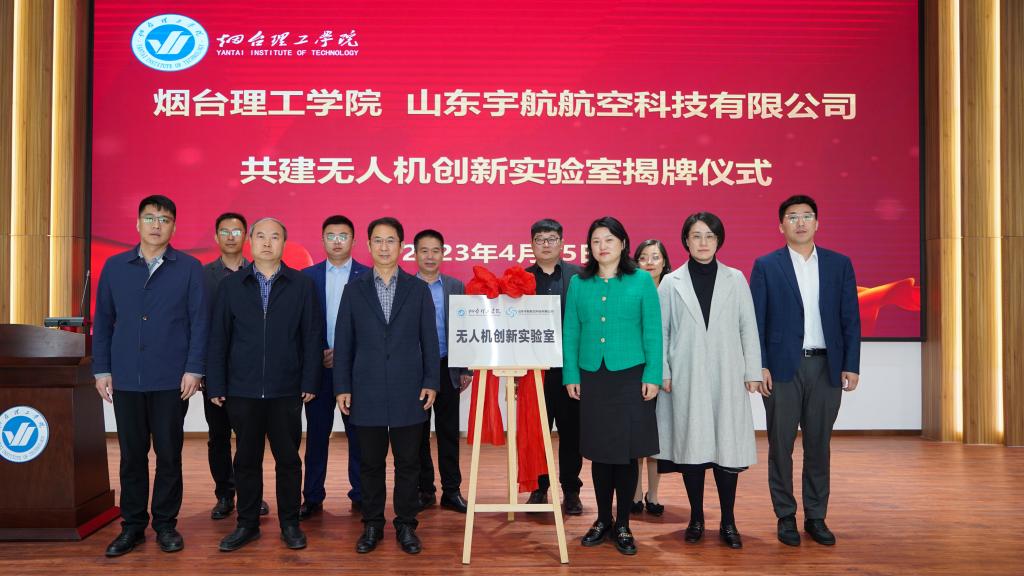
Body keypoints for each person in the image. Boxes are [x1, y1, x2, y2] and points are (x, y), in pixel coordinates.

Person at [93, 195, 207, 557]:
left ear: (174, 227)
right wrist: (102, 369)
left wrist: (194, 368)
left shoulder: (189, 267)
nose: (157, 225)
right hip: (126, 376)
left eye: (164, 219)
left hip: (171, 378)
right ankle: (132, 526)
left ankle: (166, 525)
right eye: (150, 218)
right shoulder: (115, 266)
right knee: (132, 455)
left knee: (169, 454)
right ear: (138, 223)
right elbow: (103, 321)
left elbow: (199, 322)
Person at [750, 195, 861, 547]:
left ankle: (816, 516)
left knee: (818, 445)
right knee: (780, 446)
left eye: (807, 216)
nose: (800, 222)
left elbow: (850, 318)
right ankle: (785, 515)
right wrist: (759, 364)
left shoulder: (839, 264)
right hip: (782, 369)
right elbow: (756, 321)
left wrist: (851, 364)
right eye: (793, 217)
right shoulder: (766, 265)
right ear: (781, 225)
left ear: (817, 223)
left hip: (826, 366)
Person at [207, 217, 322, 552]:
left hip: (286, 389)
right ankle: (247, 524)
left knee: (288, 460)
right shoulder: (231, 286)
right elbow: (218, 338)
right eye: (261, 236)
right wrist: (216, 384)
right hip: (242, 389)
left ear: (284, 243)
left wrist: (309, 379)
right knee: (245, 460)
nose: (267, 243)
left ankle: (290, 523)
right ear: (250, 241)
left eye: (274, 237)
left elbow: (311, 336)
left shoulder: (301, 285)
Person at [653, 213, 764, 549]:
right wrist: (663, 371)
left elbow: (748, 327)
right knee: (693, 448)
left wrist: (752, 372)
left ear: (719, 241)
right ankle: (696, 518)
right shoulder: (671, 282)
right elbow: (661, 332)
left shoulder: (736, 279)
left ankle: (728, 520)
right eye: (696, 236)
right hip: (685, 376)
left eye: (710, 236)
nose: (703, 242)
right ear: (685, 241)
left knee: (727, 449)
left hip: (728, 373)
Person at [334, 217, 440, 555]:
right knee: (370, 463)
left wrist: (431, 381)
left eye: (390, 240)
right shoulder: (354, 290)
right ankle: (372, 524)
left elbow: (429, 339)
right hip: (365, 389)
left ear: (401, 246)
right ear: (368, 245)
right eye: (378, 241)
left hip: (410, 389)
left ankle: (406, 525)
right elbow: (344, 342)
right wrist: (342, 386)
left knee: (408, 463)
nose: (384, 247)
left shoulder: (417, 289)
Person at [563, 216, 662, 556]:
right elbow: (571, 332)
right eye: (595, 241)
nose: (602, 246)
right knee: (600, 453)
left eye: (608, 239)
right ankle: (602, 519)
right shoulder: (579, 283)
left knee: (626, 453)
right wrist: (571, 375)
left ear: (623, 243)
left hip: (630, 376)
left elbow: (653, 331)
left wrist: (653, 375)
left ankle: (622, 523)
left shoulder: (641, 281)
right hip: (592, 376)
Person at [300, 215, 370, 520]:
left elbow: (371, 325)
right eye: (331, 235)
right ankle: (312, 496)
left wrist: (344, 354)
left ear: (354, 241)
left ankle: (361, 494)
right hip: (318, 371)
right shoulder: (307, 277)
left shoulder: (368, 276)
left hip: (355, 371)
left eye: (343, 235)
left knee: (359, 436)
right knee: (316, 436)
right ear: (322, 240)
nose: (337, 241)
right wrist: (319, 353)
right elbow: (301, 324)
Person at [202, 212, 270, 521]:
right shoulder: (202, 275)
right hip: (216, 369)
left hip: (250, 371)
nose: (231, 236)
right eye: (224, 231)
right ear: (215, 237)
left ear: (246, 237)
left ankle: (251, 495)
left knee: (250, 438)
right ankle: (224, 494)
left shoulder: (259, 273)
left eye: (237, 231)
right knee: (218, 437)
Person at [524, 218, 584, 516]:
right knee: (537, 433)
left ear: (562, 243)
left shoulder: (579, 277)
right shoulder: (519, 278)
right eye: (539, 239)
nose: (545, 244)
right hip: (534, 371)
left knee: (572, 433)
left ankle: (571, 491)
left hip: (570, 370)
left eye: (551, 239)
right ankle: (539, 488)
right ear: (531, 245)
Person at [413, 229, 472, 513]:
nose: (430, 256)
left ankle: (452, 491)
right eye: (424, 250)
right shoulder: (406, 286)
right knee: (418, 433)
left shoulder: (455, 286)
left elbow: (465, 328)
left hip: (447, 366)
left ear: (443, 254)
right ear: (414, 254)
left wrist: (465, 368)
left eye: (435, 250)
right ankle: (425, 490)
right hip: (415, 369)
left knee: (449, 432)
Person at [630, 239, 670, 517]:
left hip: (666, 377)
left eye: (655, 257)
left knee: (658, 437)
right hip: (636, 373)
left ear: (664, 262)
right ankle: (634, 493)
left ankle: (653, 493)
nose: (649, 262)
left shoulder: (674, 289)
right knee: (637, 436)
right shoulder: (632, 288)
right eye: (643, 257)